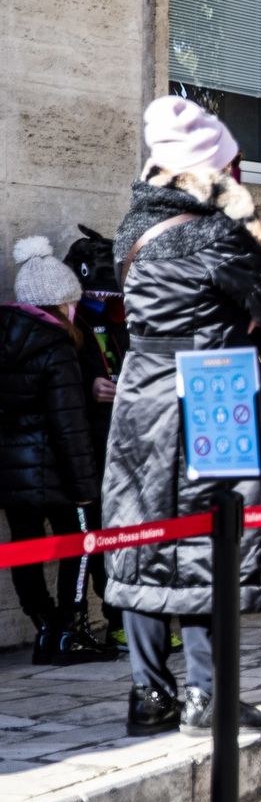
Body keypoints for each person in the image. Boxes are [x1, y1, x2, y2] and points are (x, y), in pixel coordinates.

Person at [106, 96, 261, 737]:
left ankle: (149, 696)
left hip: (141, 392)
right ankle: (207, 698)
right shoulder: (220, 235)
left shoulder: (132, 231)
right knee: (208, 539)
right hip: (212, 386)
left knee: (143, 539)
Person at [0, 238, 108, 665]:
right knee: (78, 545)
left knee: (24, 548)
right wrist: (85, 487)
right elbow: (68, 423)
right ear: (62, 304)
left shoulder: (6, 337)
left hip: (10, 474)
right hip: (57, 474)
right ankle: (70, 631)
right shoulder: (56, 345)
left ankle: (45, 627)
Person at [61, 224, 131, 649]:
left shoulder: (124, 320)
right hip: (88, 448)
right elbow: (55, 389)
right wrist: (90, 389)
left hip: (127, 444)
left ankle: (131, 619)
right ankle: (99, 621)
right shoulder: (67, 328)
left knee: (128, 535)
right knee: (99, 536)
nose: (104, 302)